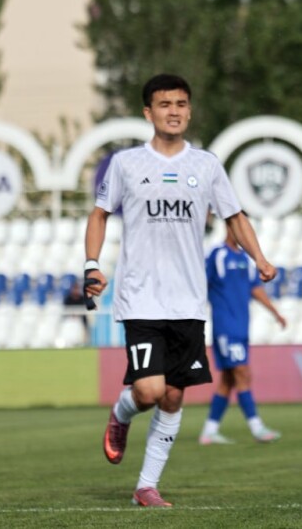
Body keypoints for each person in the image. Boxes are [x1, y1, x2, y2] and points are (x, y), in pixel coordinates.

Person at [86, 74, 276, 507]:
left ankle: (146, 486)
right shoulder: (126, 164)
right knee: (149, 391)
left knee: (173, 395)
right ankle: (121, 414)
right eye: (164, 104)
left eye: (181, 103)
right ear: (147, 112)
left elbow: (235, 217)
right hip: (140, 297)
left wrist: (260, 258)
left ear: (189, 110)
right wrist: (92, 265)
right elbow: (99, 215)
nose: (173, 111)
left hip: (188, 301)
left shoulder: (206, 165)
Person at [198, 224, 286, 446]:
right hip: (225, 326)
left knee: (228, 380)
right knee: (242, 373)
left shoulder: (246, 261)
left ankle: (209, 431)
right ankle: (256, 427)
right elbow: (199, 283)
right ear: (229, 227)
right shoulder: (216, 255)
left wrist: (275, 313)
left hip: (242, 326)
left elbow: (254, 288)